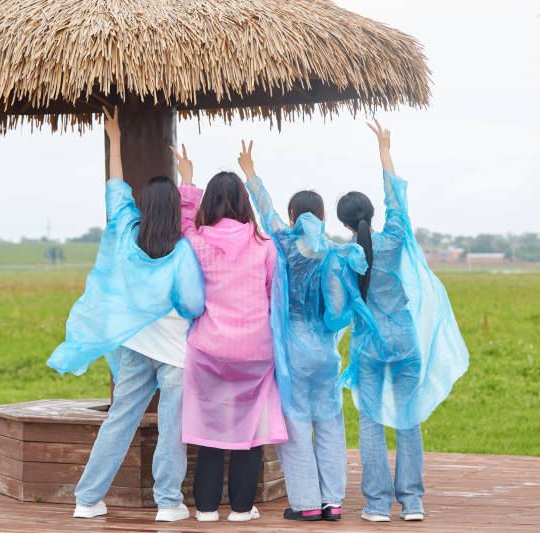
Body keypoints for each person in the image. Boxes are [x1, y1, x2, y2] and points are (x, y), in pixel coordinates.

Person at [46, 106, 205, 522]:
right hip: (175, 353)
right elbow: (194, 304)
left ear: (143, 204)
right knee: (172, 429)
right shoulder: (182, 249)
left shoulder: (125, 230)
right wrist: (189, 180)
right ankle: (168, 504)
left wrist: (114, 140)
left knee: (119, 420)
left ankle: (87, 500)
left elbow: (115, 188)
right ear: (175, 210)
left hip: (134, 348)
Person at [330, 119, 470, 522]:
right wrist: (385, 150)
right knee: (409, 421)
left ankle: (377, 505)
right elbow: (397, 199)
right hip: (405, 340)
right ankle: (412, 503)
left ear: (343, 224)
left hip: (368, 347)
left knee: (371, 423)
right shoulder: (395, 236)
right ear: (372, 214)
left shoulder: (345, 256)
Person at [238, 141, 367, 521]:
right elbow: (338, 311)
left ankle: (307, 503)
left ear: (294, 215)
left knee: (295, 428)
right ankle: (333, 502)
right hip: (325, 352)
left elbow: (266, 210)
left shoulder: (283, 240)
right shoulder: (332, 252)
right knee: (329, 425)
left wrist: (250, 172)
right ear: (323, 216)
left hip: (291, 351)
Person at [170, 144, 287, 522]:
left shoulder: (196, 242)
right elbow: (273, 297)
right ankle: (241, 508)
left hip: (209, 348)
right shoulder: (264, 245)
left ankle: (205, 509)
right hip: (256, 350)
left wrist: (187, 180)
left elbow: (184, 223)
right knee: (248, 430)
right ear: (243, 204)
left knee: (208, 428)